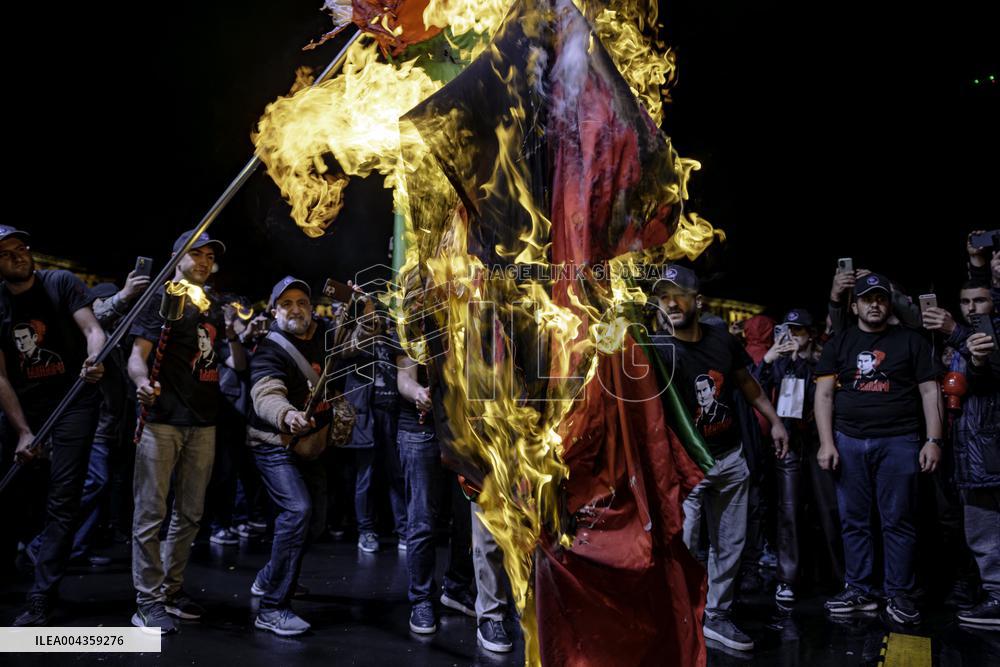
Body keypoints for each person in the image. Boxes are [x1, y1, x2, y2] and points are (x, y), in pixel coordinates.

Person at [650, 264, 789, 652]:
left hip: (729, 459)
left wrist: (775, 421)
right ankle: (682, 613)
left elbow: (747, 385)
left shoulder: (720, 339)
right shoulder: (656, 350)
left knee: (730, 543)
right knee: (685, 544)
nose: (670, 304)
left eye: (677, 295)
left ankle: (717, 616)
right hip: (687, 468)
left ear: (697, 301)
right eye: (663, 298)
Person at [127, 229, 245, 634]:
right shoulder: (162, 299)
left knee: (191, 514)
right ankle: (147, 601)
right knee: (151, 513)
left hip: (204, 423)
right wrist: (142, 383)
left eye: (211, 255)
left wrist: (234, 332)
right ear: (177, 257)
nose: (205, 261)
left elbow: (233, 365)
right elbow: (136, 358)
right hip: (162, 421)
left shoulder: (213, 305)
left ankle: (171, 590)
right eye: (197, 253)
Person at [815, 272, 942, 625]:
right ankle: (859, 589)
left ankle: (898, 592)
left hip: (899, 441)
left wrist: (933, 440)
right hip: (849, 440)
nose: (874, 304)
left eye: (881, 298)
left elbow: (930, 392)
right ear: (854, 305)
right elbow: (823, 394)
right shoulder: (839, 343)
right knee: (854, 520)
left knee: (898, 520)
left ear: (889, 303)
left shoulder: (911, 341)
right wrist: (826, 442)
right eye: (867, 299)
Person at [0, 225, 106, 626]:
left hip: (73, 399)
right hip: (23, 404)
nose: (18, 256)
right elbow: (1, 377)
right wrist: (24, 430)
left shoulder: (60, 281)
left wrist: (95, 358)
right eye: (6, 253)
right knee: (13, 490)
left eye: (21, 248)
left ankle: (42, 595)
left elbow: (94, 330)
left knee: (63, 498)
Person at [754, 308, 844, 604]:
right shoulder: (779, 363)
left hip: (818, 440)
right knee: (789, 510)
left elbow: (822, 390)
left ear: (811, 334)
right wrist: (768, 360)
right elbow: (754, 388)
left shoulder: (821, 359)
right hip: (789, 443)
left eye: (799, 331)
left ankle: (839, 577)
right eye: (788, 330)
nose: (792, 337)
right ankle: (787, 579)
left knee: (828, 510)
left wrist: (800, 361)